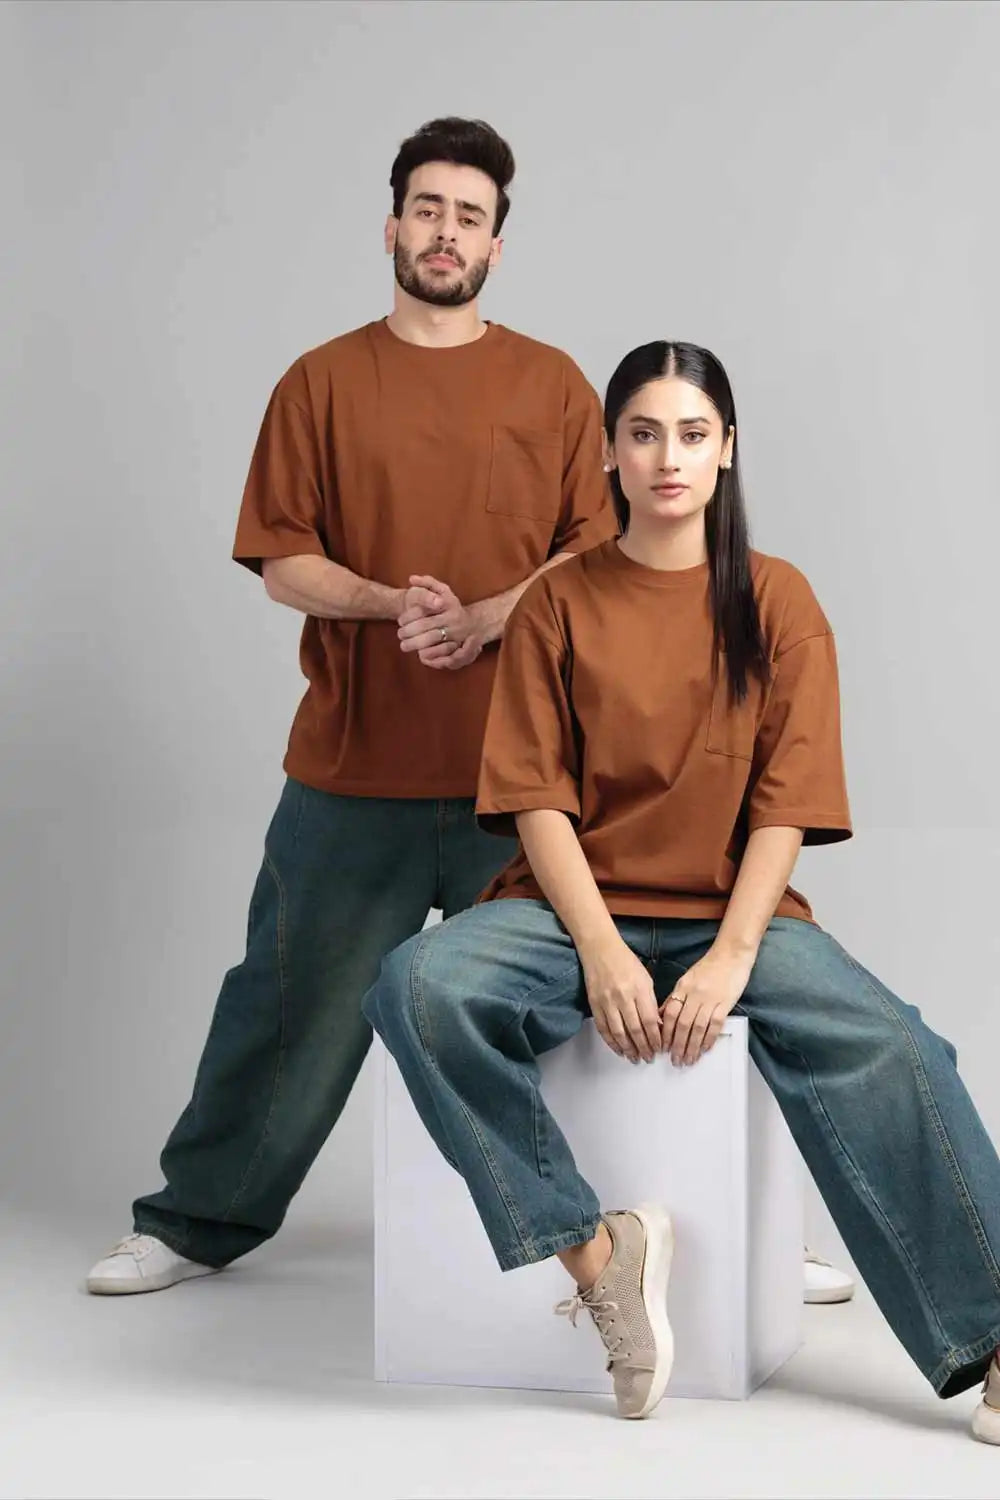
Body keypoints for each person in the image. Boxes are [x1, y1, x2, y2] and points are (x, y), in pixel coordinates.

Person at [362, 340, 1000, 1439]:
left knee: (896, 1047)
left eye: (692, 435)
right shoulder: (560, 601)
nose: (668, 458)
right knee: (416, 987)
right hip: (564, 913)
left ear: (727, 450)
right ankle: (596, 1254)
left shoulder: (778, 599)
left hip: (733, 914)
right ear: (610, 454)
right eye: (644, 434)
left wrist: (733, 956)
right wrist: (602, 949)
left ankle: (990, 1334)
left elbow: (786, 804)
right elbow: (536, 799)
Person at [84, 116, 618, 1295]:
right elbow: (282, 560)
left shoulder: (552, 385)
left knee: (579, 1010)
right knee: (287, 1009)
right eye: (427, 209)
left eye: (469, 216)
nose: (445, 232)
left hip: (521, 776)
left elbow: (596, 552)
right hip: (352, 766)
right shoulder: (319, 382)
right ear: (390, 227)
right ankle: (195, 1222)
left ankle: (663, 1223)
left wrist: (489, 617)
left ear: (496, 245)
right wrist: (392, 604)